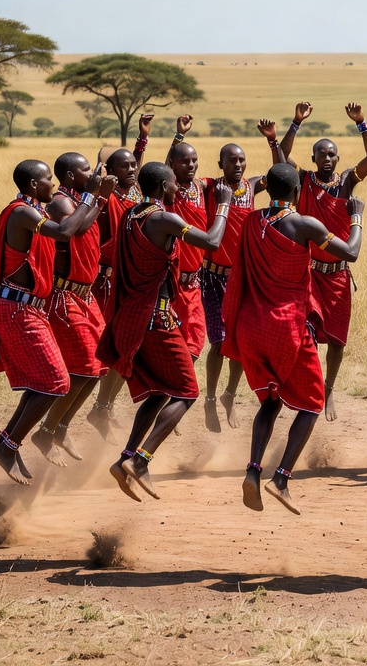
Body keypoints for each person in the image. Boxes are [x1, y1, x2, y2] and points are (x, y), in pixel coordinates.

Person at [0, 159, 114, 485]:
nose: (53, 186)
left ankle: (6, 444)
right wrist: (90, 195)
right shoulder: (22, 212)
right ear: (35, 184)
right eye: (49, 180)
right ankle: (8, 444)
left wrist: (98, 199)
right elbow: (66, 231)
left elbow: (78, 227)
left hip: (30, 308)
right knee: (56, 382)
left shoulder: (33, 209)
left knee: (46, 382)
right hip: (15, 309)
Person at [229, 150, 363, 515]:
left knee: (270, 403)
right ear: (298, 190)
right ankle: (282, 478)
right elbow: (350, 253)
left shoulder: (251, 221)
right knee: (312, 404)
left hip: (250, 326)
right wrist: (357, 217)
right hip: (287, 327)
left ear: (267, 188)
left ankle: (254, 471)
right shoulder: (304, 225)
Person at [96, 162, 231, 501]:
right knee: (187, 392)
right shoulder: (162, 218)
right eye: (173, 183)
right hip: (157, 321)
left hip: (135, 317)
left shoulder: (131, 215)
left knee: (159, 393)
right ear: (163, 186)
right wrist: (225, 204)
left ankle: (125, 458)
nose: (177, 189)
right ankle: (142, 460)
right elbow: (212, 241)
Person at [273, 100, 367, 421]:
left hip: (338, 276)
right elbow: (280, 158)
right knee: (306, 334)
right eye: (322, 154)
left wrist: (362, 123)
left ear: (338, 158)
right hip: (310, 275)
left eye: (333, 154)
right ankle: (308, 387)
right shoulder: (302, 180)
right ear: (313, 158)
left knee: (336, 341)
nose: (328, 159)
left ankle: (329, 388)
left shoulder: (347, 182)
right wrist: (296, 122)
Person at [28, 151, 111, 466]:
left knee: (97, 368)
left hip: (85, 297)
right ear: (68, 177)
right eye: (85, 169)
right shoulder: (62, 201)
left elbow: (86, 225)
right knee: (82, 369)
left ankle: (59, 426)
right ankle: (46, 430)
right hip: (65, 298)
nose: (91, 173)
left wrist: (96, 197)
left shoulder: (80, 200)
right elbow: (75, 230)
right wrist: (95, 196)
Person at [195, 122, 267, 432]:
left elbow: (282, 169)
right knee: (219, 342)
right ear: (220, 164)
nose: (237, 165)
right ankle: (210, 399)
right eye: (231, 160)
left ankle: (228, 395)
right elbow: (175, 171)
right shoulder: (211, 187)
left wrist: (279, 136)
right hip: (212, 278)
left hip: (242, 278)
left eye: (241, 160)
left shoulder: (251, 187)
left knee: (242, 342)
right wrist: (180, 135)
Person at [87, 114, 153, 441]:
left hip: (131, 280)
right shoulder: (106, 198)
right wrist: (101, 186)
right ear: (112, 173)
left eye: (133, 166)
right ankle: (96, 408)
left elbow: (138, 166)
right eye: (124, 166)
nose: (131, 169)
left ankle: (103, 407)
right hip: (106, 282)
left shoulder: (139, 193)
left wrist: (142, 139)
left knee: (127, 348)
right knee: (113, 347)